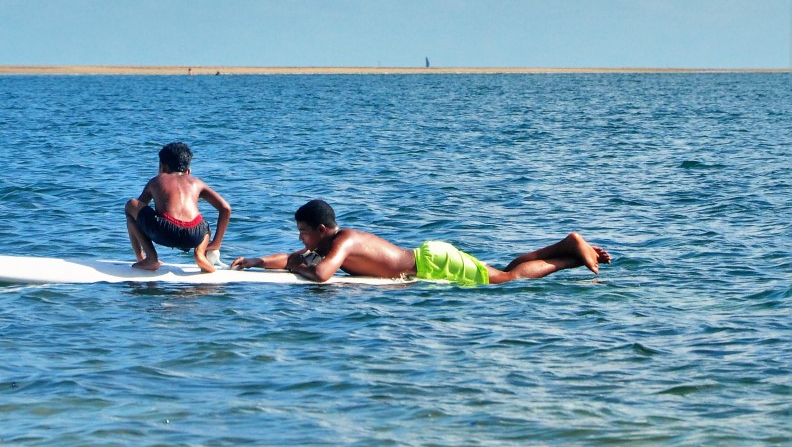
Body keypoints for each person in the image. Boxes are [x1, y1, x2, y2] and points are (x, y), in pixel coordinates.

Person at [230, 199, 609, 286]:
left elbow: (323, 275)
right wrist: (255, 262)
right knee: (504, 271)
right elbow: (292, 257)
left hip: (434, 263)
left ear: (323, 228)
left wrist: (301, 267)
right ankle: (567, 246)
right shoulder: (330, 242)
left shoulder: (343, 241)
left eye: (304, 231)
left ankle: (570, 256)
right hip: (430, 256)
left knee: (509, 280)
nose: (301, 239)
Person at [126, 142, 231, 273]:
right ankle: (199, 254)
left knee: (131, 206)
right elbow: (225, 208)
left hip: (165, 232)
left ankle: (148, 258)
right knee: (205, 226)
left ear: (162, 167)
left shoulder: (157, 180)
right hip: (194, 235)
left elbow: (138, 211)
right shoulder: (197, 182)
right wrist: (216, 244)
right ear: (188, 171)